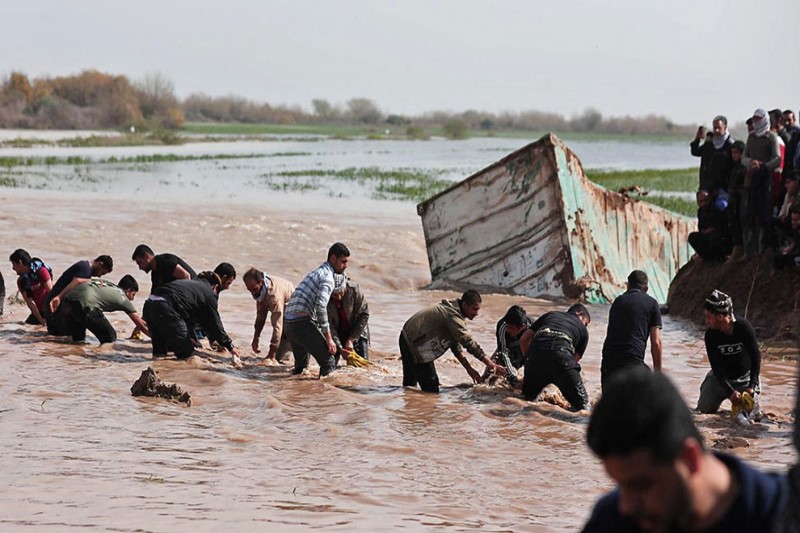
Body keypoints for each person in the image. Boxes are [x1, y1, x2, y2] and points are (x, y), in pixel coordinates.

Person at [582, 369, 787, 532]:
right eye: (620, 484)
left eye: (641, 485)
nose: (626, 506)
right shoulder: (611, 521)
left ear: (690, 458)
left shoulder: (781, 516)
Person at [399, 289, 506, 393]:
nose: (477, 313)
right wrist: (491, 364)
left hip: (406, 338)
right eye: (474, 309)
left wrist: (469, 369)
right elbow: (468, 343)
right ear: (464, 305)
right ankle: (425, 410)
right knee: (431, 388)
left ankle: (409, 408)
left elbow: (455, 346)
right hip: (416, 344)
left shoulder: (452, 310)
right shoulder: (453, 316)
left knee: (410, 385)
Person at [142, 271, 240, 366]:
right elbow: (215, 323)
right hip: (165, 307)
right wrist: (230, 346)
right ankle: (184, 380)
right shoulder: (209, 293)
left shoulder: (191, 286)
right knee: (186, 355)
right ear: (215, 287)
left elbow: (184, 317)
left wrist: (190, 337)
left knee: (160, 352)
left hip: (149, 304)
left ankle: (156, 375)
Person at [284, 242, 350, 377]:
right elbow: (320, 306)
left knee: (301, 369)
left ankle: (294, 396)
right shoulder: (328, 278)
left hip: (289, 323)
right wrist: (329, 339)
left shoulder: (317, 273)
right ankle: (325, 396)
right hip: (302, 323)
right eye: (343, 261)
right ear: (333, 259)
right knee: (328, 362)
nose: (345, 266)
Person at [696, 290, 762, 415]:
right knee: (702, 413)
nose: (706, 321)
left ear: (720, 317)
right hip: (719, 380)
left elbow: (756, 357)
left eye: (709, 317)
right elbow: (716, 367)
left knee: (754, 416)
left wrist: (752, 386)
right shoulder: (710, 335)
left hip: (745, 379)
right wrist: (730, 391)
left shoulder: (744, 328)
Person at [518, 303, 591, 410]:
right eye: (586, 323)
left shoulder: (550, 315)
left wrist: (528, 362)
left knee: (526, 400)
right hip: (562, 357)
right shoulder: (583, 330)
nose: (585, 326)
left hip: (535, 357)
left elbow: (524, 339)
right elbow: (574, 360)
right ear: (580, 314)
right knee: (583, 408)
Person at [601, 270, 662, 390]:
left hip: (608, 364)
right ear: (646, 289)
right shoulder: (652, 304)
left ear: (628, 286)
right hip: (632, 365)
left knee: (611, 406)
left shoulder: (618, 302)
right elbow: (656, 343)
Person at [50, 275, 149, 344]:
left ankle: (76, 362)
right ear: (128, 290)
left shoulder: (107, 284)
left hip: (68, 301)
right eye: (133, 295)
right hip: (86, 305)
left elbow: (82, 282)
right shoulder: (122, 297)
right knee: (110, 337)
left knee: (78, 340)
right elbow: (140, 324)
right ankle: (98, 365)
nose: (132, 299)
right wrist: (156, 339)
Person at [743, 108, 781, 255]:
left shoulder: (771, 137)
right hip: (751, 179)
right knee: (749, 214)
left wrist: (763, 166)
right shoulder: (751, 137)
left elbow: (777, 159)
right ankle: (750, 250)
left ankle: (763, 248)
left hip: (765, 181)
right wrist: (751, 163)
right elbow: (744, 157)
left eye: (758, 119)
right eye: (755, 118)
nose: (756, 121)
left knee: (763, 214)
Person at [45, 255, 114, 332]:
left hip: (56, 305)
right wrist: (59, 297)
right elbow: (76, 282)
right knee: (59, 337)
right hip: (54, 305)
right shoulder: (84, 268)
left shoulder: (86, 271)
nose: (99, 276)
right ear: (100, 264)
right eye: (101, 272)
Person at [242, 267, 295, 363]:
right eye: (249, 290)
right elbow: (261, 316)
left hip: (294, 316)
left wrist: (271, 353)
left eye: (254, 289)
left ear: (261, 282)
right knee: (279, 357)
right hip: (285, 316)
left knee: (277, 357)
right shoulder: (260, 292)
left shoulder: (273, 295)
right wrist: (256, 337)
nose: (253, 293)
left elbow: (278, 325)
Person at [481, 304, 534, 386]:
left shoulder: (533, 327)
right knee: (486, 381)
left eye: (511, 328)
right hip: (507, 350)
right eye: (507, 326)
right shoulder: (502, 326)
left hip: (525, 352)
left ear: (522, 327)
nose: (507, 330)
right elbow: (503, 352)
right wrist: (511, 375)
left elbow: (535, 353)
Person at [327, 276, 370, 362]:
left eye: (341, 292)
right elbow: (329, 326)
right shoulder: (325, 299)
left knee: (361, 365)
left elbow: (364, 314)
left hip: (357, 330)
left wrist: (351, 338)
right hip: (337, 331)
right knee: (329, 365)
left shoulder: (354, 290)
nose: (338, 297)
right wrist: (339, 348)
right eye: (335, 294)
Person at [690, 116, 735, 197]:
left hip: (723, 188)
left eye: (719, 128)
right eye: (715, 128)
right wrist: (698, 138)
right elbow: (695, 152)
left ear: (725, 128)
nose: (716, 130)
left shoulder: (730, 145)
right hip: (706, 187)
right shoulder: (709, 144)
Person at [9, 248, 53, 325]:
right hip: (39, 312)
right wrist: (41, 320)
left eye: (13, 264)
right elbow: (30, 303)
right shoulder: (21, 281)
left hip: (51, 308)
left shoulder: (41, 271)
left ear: (20, 263)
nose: (13, 268)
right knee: (25, 327)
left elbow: (52, 293)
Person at [688, 190, 731, 262]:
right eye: (701, 201)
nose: (704, 203)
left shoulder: (715, 210)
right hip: (707, 237)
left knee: (714, 237)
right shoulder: (700, 212)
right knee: (692, 237)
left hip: (718, 238)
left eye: (705, 200)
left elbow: (721, 226)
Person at [131, 244, 196, 290]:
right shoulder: (155, 274)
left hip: (197, 290)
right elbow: (155, 296)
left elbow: (186, 276)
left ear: (146, 256)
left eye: (140, 263)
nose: (140, 268)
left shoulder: (165, 261)